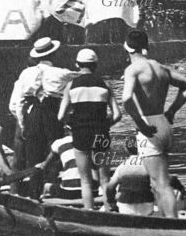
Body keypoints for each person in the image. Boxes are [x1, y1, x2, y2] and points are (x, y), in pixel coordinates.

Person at [121, 30, 186, 219]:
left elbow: (126, 100)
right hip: (163, 122)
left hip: (148, 125)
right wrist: (172, 111)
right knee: (157, 183)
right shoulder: (161, 67)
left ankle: (173, 223)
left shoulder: (133, 69)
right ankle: (163, 218)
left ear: (127, 47)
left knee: (161, 183)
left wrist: (140, 123)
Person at [8, 37, 76, 198]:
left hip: (32, 115)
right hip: (52, 114)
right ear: (53, 55)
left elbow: (18, 103)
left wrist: (23, 124)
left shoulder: (26, 73)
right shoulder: (62, 73)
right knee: (55, 153)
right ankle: (51, 191)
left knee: (33, 156)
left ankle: (34, 194)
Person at [58, 49, 122, 211]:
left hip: (80, 134)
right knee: (105, 179)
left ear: (77, 65)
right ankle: (109, 211)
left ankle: (88, 212)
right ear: (95, 65)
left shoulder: (71, 86)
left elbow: (60, 116)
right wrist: (105, 125)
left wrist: (70, 124)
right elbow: (117, 114)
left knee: (85, 180)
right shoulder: (105, 85)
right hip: (101, 132)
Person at [36, 129, 99, 202]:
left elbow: (45, 165)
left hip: (69, 191)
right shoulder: (90, 140)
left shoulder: (58, 143)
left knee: (46, 186)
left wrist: (41, 165)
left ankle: (42, 203)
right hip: (93, 191)